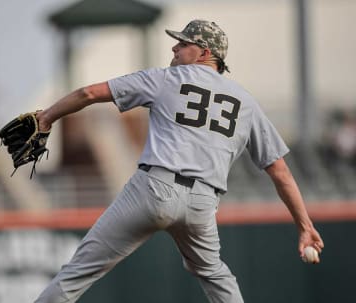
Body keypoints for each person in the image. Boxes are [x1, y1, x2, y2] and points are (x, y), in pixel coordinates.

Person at [32, 19, 324, 303]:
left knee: (79, 271)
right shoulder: (246, 103)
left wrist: (47, 117)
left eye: (183, 44)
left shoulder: (165, 79)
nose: (175, 49)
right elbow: (280, 171)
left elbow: (89, 92)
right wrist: (304, 225)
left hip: (154, 188)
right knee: (217, 276)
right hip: (202, 205)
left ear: (205, 53)